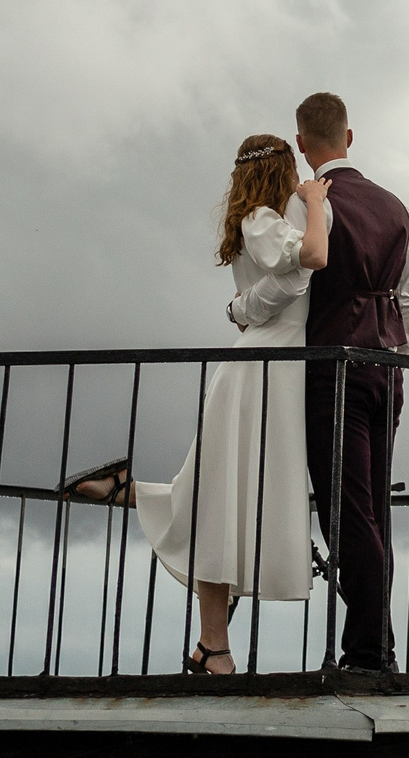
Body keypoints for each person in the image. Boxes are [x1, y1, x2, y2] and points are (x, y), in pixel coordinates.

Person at [61, 133, 325, 673]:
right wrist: (245, 309)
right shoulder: (261, 220)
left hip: (274, 367)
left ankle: (129, 493)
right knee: (221, 499)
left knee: (228, 498)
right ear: (283, 167)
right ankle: (213, 646)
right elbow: (302, 270)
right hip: (261, 368)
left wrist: (244, 307)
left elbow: (288, 280)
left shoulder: (269, 216)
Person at [268, 91, 409, 670]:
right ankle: (377, 643)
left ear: (302, 144)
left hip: (332, 369)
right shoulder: (398, 208)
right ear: (350, 138)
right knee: (373, 507)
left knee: (346, 510)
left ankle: (368, 650)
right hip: (387, 369)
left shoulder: (308, 203)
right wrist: (399, 360)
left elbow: (293, 283)